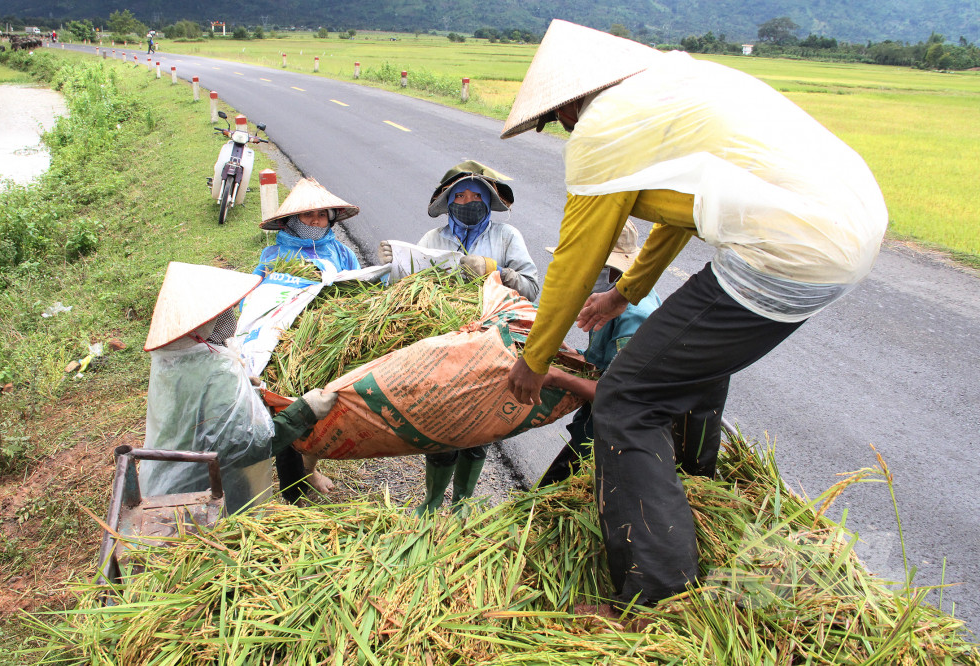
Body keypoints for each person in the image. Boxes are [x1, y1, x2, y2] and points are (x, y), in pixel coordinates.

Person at [502, 20, 887, 607]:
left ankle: (656, 593)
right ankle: (692, 481)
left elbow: (576, 258)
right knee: (688, 357)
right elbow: (678, 214)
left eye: (558, 119)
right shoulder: (676, 88)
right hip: (846, 234)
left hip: (786, 249)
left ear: (574, 100)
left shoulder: (604, 126)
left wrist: (533, 360)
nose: (564, 130)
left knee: (626, 400)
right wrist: (625, 294)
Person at [377, 160, 540, 514]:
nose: (468, 201)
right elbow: (404, 291)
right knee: (441, 427)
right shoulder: (433, 240)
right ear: (448, 201)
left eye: (476, 195)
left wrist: (495, 270)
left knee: (479, 428)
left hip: (492, 348)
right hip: (443, 349)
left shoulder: (507, 237)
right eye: (460, 195)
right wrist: (392, 266)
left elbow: (532, 289)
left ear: (488, 199)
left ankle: (464, 501)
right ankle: (432, 501)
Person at [139, 262, 336, 515]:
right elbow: (248, 446)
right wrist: (305, 410)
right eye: (224, 313)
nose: (231, 319)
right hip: (201, 498)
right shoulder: (218, 371)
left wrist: (247, 392)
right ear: (207, 322)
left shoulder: (173, 360)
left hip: (162, 484)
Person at [254, 176, 362, 504]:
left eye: (321, 215)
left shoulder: (340, 252)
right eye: (307, 216)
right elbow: (257, 299)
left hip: (330, 343)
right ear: (290, 220)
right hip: (287, 346)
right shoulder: (273, 256)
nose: (316, 221)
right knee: (288, 408)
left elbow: (360, 288)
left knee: (322, 413)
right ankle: (293, 492)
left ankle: (311, 469)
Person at [535, 220, 661, 487]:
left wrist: (558, 378)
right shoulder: (609, 301)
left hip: (614, 443)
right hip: (593, 429)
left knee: (545, 503)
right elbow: (605, 363)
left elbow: (619, 395)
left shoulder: (634, 318)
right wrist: (575, 357)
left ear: (613, 271)